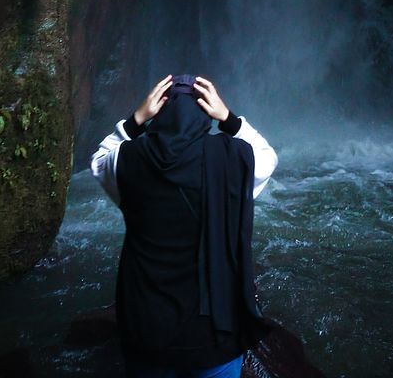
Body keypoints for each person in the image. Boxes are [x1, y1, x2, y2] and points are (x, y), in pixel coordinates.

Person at [90, 73, 278, 378]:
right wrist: (229, 119)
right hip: (215, 333)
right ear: (206, 114)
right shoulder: (230, 158)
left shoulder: (129, 160)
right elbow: (268, 158)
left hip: (147, 330)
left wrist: (136, 119)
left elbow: (98, 161)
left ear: (159, 113)